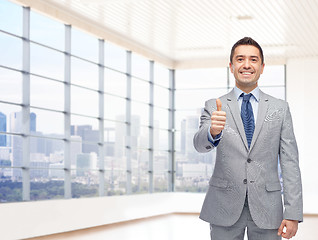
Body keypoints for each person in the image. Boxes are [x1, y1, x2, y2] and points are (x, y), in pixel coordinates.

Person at [193, 37, 303, 240]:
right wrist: (212, 132)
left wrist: (293, 212)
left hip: (268, 208)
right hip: (223, 206)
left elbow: (290, 163)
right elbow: (199, 145)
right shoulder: (214, 105)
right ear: (231, 66)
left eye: (253, 60)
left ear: (262, 67)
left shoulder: (280, 109)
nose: (246, 65)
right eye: (240, 59)